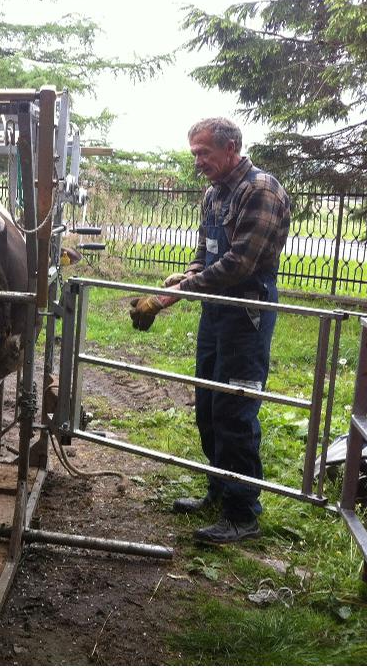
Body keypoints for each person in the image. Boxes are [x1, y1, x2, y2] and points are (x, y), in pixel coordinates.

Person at [129, 117, 290, 544]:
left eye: (205, 153)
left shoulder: (260, 191)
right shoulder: (213, 193)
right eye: (195, 153)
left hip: (247, 313)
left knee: (235, 411)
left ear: (231, 148)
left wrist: (173, 296)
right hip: (216, 312)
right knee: (208, 406)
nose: (198, 161)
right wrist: (185, 275)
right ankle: (219, 491)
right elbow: (207, 252)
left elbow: (239, 264)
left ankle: (243, 513)